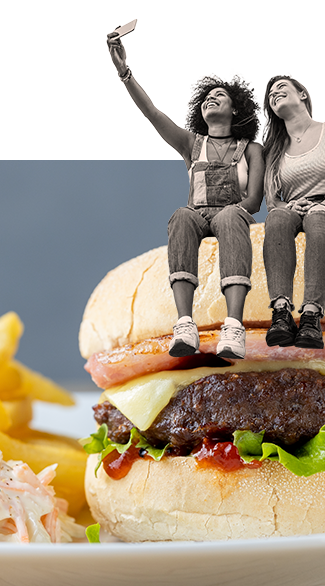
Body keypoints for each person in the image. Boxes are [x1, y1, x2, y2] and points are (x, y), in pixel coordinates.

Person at [106, 30, 264, 360]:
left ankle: (233, 324)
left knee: (234, 215)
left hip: (232, 214)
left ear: (236, 109)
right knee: (180, 215)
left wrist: (236, 210)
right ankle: (185, 322)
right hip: (198, 213)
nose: (211, 98)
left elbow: (254, 199)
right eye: (207, 96)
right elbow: (152, 112)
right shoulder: (192, 144)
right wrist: (124, 72)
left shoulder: (250, 149)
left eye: (220, 95)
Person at [261, 74, 325, 349]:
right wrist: (288, 206)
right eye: (270, 95)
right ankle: (281, 312)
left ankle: (312, 315)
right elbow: (272, 202)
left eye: (280, 87)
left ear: (302, 94)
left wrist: (324, 205)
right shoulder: (275, 150)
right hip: (293, 209)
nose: (274, 94)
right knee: (277, 217)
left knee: (318, 216)